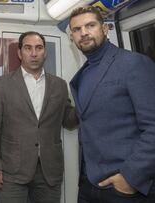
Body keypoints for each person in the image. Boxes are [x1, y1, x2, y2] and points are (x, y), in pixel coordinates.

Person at [68, 6, 155, 202]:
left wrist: (130, 177)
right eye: (77, 29)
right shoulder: (81, 76)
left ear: (105, 29)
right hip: (88, 184)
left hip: (124, 188)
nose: (84, 33)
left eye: (90, 25)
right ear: (72, 37)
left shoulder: (133, 64)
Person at [0, 31, 78, 203]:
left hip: (49, 171)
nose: (34, 53)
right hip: (12, 171)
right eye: (28, 48)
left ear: (45, 52)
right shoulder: (2, 85)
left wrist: (86, 99)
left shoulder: (59, 85)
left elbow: (68, 120)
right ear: (20, 53)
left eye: (39, 48)